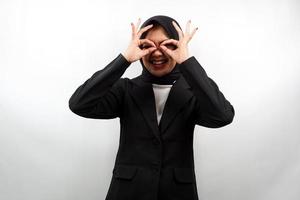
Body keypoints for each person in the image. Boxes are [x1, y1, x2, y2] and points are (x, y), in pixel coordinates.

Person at [69, 15, 235, 200]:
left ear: (178, 46)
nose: (157, 53)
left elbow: (223, 116)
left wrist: (187, 62)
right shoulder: (125, 90)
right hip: (128, 193)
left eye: (167, 45)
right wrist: (123, 59)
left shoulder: (194, 91)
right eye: (148, 45)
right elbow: (79, 104)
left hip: (177, 193)